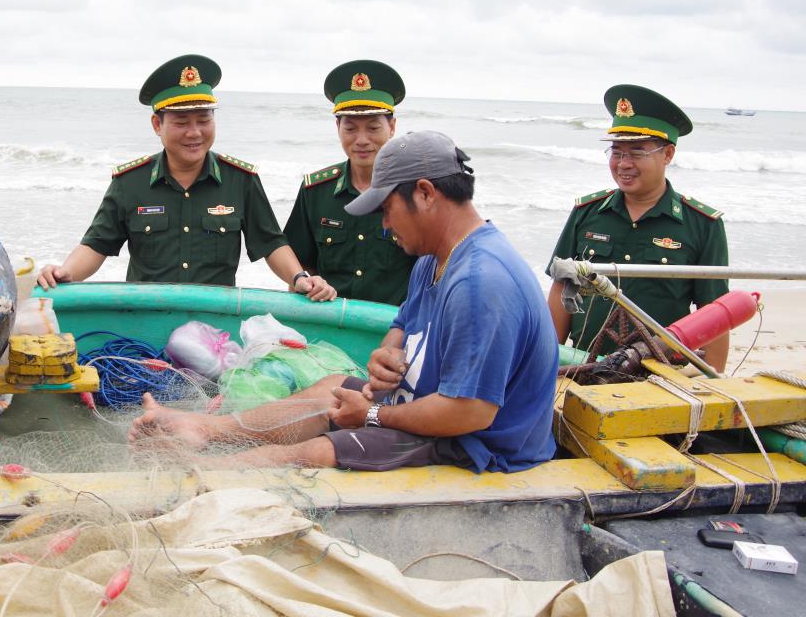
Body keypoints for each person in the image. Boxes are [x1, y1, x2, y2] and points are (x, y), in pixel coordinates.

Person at [130, 131, 558, 473]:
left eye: (388, 210)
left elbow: (470, 412)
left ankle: (195, 478)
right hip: (425, 407)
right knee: (330, 388)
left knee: (314, 453)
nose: (387, 227)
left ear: (426, 193)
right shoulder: (435, 258)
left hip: (476, 448)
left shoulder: (482, 282)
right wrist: (387, 352)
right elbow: (404, 324)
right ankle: (203, 429)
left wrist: (373, 416)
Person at [37, 55, 335, 300]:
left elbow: (270, 243)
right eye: (181, 122)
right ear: (157, 124)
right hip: (144, 319)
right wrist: (67, 272)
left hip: (215, 323)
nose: (194, 133)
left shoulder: (240, 180)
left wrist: (299, 278)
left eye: (204, 120)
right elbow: (96, 245)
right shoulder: (130, 183)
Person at [546, 85, 730, 371]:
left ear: (668, 154)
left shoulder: (702, 225)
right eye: (616, 152)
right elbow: (561, 288)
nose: (623, 164)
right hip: (582, 367)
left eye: (636, 152)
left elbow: (714, 313)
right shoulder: (586, 213)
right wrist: (547, 363)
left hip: (662, 374)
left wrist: (713, 384)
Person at [283, 60, 417, 305]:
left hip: (395, 332)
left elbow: (434, 273)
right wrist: (310, 282)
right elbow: (297, 264)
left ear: (392, 127)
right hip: (328, 326)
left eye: (374, 128)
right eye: (351, 129)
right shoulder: (316, 191)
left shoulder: (415, 192)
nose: (362, 140)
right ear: (337, 128)